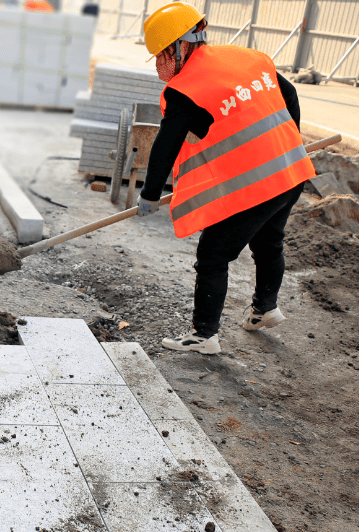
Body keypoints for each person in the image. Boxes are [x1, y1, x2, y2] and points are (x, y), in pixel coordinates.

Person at [135, 2, 315, 354]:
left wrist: (149, 194)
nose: (160, 63)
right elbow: (289, 94)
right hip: (291, 172)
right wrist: (289, 140)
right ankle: (265, 308)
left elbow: (165, 144)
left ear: (181, 46)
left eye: (162, 53)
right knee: (268, 242)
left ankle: (204, 336)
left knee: (214, 254)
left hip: (254, 186)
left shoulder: (185, 90)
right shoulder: (245, 57)